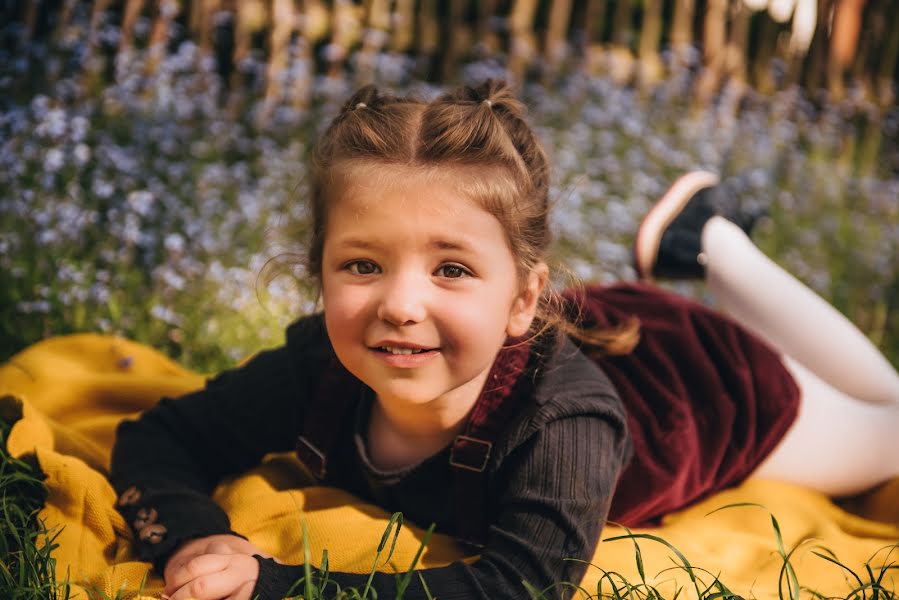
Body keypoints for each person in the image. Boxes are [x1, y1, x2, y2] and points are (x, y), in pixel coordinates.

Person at [109, 80, 899, 600]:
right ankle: (699, 242)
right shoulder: (318, 367)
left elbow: (520, 586)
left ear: (522, 298)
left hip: (706, 388)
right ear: (318, 272)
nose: (400, 304)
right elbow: (160, 437)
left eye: (449, 268)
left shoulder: (563, 423)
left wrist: (270, 585)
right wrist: (194, 537)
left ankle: (716, 244)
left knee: (891, 420)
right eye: (362, 264)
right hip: (602, 327)